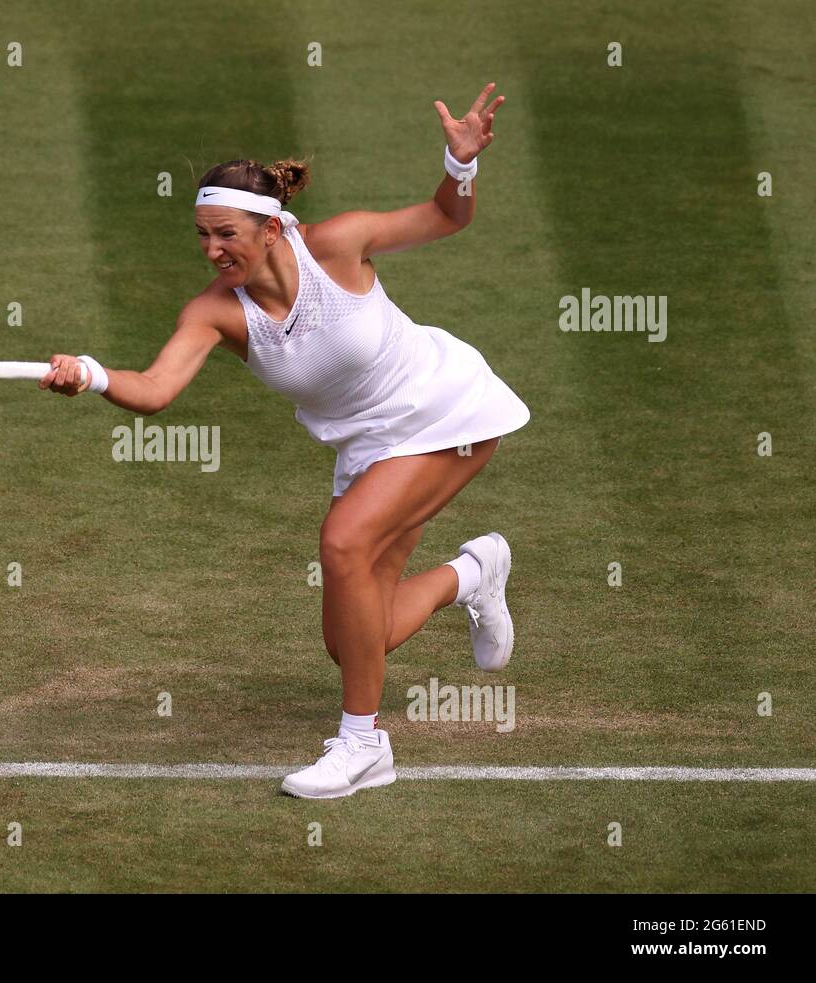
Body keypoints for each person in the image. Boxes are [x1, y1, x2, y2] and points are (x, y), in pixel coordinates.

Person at [42, 83, 528, 799]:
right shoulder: (216, 314)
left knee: (342, 543)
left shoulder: (338, 244)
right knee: (358, 637)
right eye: (203, 236)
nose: (211, 250)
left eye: (226, 235)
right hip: (368, 450)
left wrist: (461, 165)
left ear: (272, 229)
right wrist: (88, 373)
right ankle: (474, 572)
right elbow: (154, 390)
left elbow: (445, 218)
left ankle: (363, 745)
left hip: (445, 409)